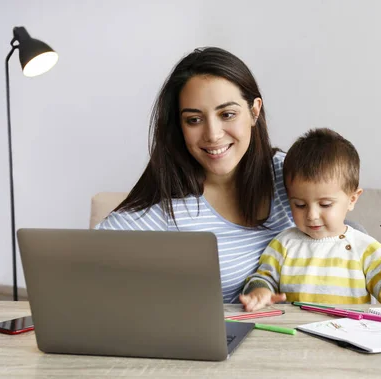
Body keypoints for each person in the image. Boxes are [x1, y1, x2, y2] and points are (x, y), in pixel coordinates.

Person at [96, 47, 296, 303]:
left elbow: (344, 232)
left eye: (227, 114)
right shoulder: (167, 208)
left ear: (254, 111)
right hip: (225, 340)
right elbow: (85, 262)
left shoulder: (287, 174)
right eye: (194, 120)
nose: (212, 134)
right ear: (179, 127)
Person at [239, 128, 381, 311]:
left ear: (352, 199)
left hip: (348, 335)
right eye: (299, 205)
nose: (311, 215)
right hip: (295, 334)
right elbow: (262, 278)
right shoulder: (283, 244)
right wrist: (259, 291)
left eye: (325, 204)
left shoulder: (365, 249)